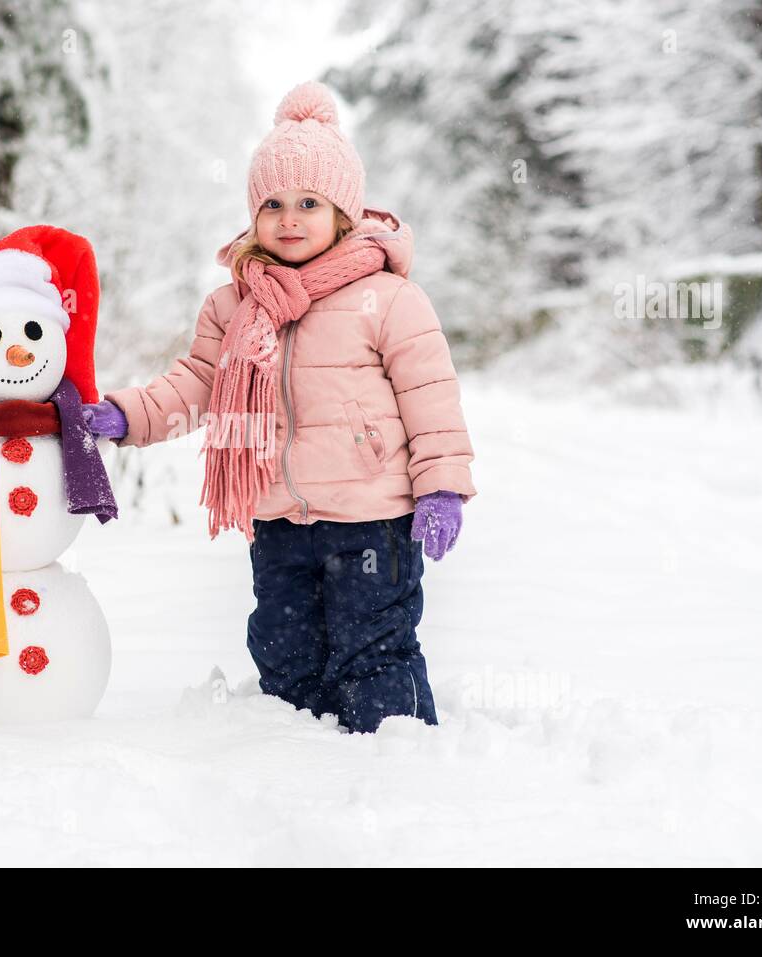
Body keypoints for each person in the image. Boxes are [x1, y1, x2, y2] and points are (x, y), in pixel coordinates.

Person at [88, 80, 477, 733]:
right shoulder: (233, 305)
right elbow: (198, 384)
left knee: (373, 652)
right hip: (278, 519)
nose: (289, 218)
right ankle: (293, 764)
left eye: (308, 202)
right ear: (252, 215)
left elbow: (430, 397)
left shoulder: (388, 298)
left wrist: (441, 488)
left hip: (371, 519)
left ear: (343, 213)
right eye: (272, 203)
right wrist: (129, 415)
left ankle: (399, 767)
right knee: (283, 650)